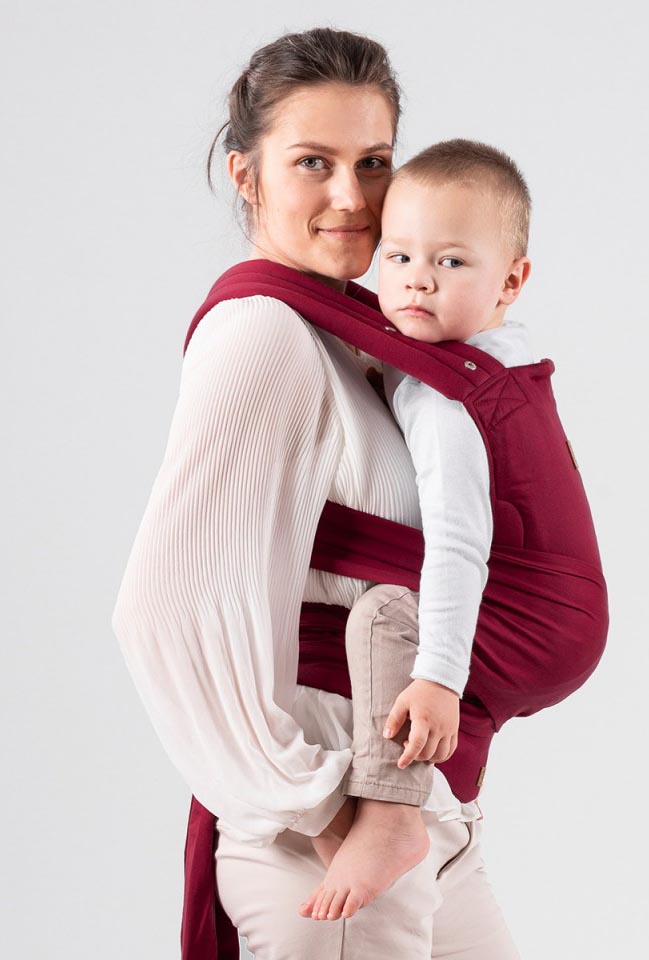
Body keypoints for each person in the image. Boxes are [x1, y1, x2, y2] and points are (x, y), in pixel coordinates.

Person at [111, 26, 521, 959]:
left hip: (418, 815)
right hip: (335, 839)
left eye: (373, 162)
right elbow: (158, 610)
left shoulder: (353, 340)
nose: (351, 196)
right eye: (312, 162)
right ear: (245, 176)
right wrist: (320, 806)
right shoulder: (265, 335)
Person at [300, 138, 535, 922]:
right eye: (398, 257)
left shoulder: (444, 400)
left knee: (383, 612)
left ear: (511, 282)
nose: (416, 280)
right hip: (555, 611)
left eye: (451, 262)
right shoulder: (493, 359)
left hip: (528, 612)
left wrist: (438, 677)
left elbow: (460, 541)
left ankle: (389, 811)